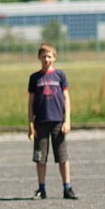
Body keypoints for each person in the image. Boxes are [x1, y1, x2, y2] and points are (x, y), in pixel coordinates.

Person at [27, 43, 77, 200]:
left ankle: (67, 188)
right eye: (43, 56)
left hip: (58, 121)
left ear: (54, 57)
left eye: (49, 56)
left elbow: (66, 98)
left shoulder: (60, 76)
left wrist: (67, 120)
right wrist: (30, 124)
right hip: (40, 122)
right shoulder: (35, 78)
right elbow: (30, 102)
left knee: (62, 156)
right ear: (39, 58)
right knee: (40, 157)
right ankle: (42, 188)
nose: (46, 59)